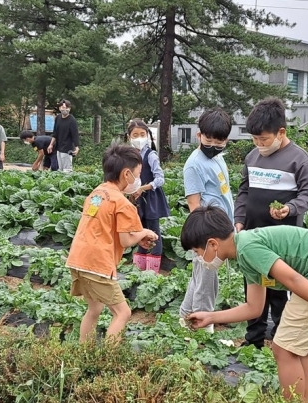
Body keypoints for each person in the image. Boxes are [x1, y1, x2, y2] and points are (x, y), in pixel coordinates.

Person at [182, 206, 308, 402]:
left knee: (284, 349)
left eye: (197, 251)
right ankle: (305, 399)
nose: (199, 258)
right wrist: (211, 316)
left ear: (212, 244)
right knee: (297, 350)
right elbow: (254, 307)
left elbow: (293, 280)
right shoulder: (244, 250)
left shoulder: (248, 248)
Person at [235, 98, 308, 349]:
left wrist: (290, 208)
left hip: (283, 240)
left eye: (263, 139)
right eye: (255, 139)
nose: (259, 144)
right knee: (253, 286)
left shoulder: (300, 160)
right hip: (252, 236)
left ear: (281, 132)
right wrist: (239, 220)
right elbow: (244, 192)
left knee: (280, 291)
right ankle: (254, 339)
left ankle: (283, 341)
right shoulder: (252, 157)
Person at [65, 143, 158, 343]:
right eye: (138, 173)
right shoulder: (123, 203)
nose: (138, 179)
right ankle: (108, 360)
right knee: (122, 312)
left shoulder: (97, 193)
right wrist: (145, 232)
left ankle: (84, 353)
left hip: (77, 258)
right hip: (98, 263)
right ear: (126, 174)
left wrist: (138, 236)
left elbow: (103, 226)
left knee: (95, 308)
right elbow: (126, 240)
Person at [178, 108, 234, 333]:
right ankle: (203, 328)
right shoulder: (194, 165)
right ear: (198, 135)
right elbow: (194, 206)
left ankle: (185, 317)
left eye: (219, 141)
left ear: (226, 140)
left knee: (200, 278)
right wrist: (205, 242)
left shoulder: (219, 158)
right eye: (208, 139)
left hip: (221, 230)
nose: (213, 145)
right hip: (208, 235)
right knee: (206, 282)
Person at [126, 119, 170, 273]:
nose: (139, 138)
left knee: (154, 231)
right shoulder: (130, 156)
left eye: (142, 134)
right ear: (129, 137)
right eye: (135, 135)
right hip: (137, 199)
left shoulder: (151, 155)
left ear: (148, 136)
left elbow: (160, 178)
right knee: (140, 229)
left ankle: (153, 270)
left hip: (150, 198)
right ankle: (140, 267)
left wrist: (142, 188)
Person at [47, 99, 80, 172]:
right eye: (62, 107)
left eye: (66, 107)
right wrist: (51, 144)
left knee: (67, 170)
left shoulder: (72, 120)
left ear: (69, 109)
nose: (64, 109)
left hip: (67, 148)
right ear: (59, 108)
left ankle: (68, 183)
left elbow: (75, 134)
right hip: (59, 148)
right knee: (60, 169)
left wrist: (77, 147)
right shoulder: (58, 118)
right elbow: (55, 133)